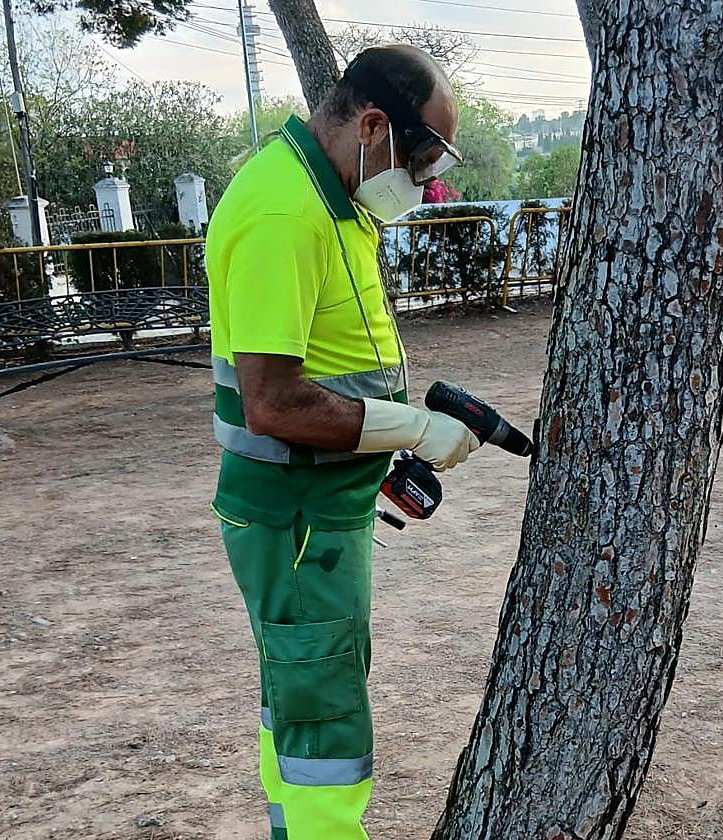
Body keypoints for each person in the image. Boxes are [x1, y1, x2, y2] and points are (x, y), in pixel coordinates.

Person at [205, 46, 479, 840]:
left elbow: (336, 362)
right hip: (296, 518)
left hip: (319, 509)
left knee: (300, 693)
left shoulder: (332, 199)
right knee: (323, 717)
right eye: (424, 155)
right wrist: (414, 427)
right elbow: (272, 401)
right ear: (370, 125)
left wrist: (389, 436)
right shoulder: (284, 212)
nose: (426, 180)